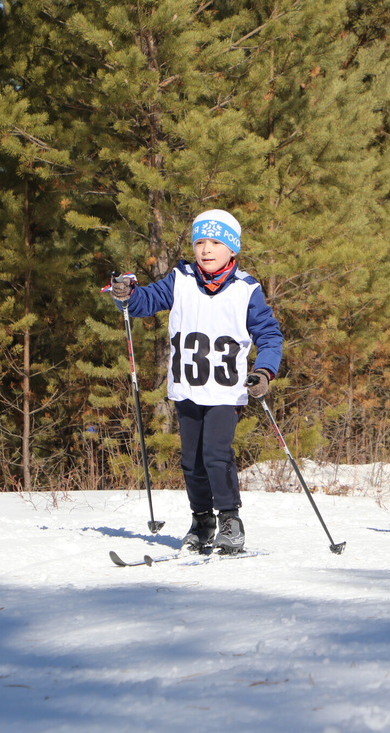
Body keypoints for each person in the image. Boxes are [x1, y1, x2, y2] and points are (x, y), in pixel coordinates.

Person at [107, 209, 283, 555]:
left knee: (216, 455)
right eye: (200, 241)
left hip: (225, 391)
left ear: (232, 249)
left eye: (216, 242)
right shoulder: (180, 278)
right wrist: (125, 294)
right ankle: (202, 521)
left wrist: (264, 372)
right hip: (187, 387)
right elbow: (145, 302)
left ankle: (230, 520)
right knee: (192, 460)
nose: (206, 249)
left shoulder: (247, 290)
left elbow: (270, 335)